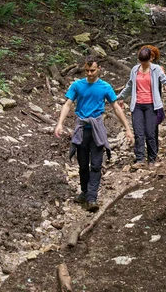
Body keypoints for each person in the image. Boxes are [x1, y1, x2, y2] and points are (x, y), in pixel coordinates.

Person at [54, 56, 134, 212]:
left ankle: (92, 197)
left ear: (99, 70)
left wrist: (127, 128)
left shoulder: (105, 87)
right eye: (87, 70)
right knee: (83, 165)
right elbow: (68, 104)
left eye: (93, 70)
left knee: (96, 165)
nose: (90, 73)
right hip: (82, 128)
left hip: (97, 128)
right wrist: (60, 123)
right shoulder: (77, 85)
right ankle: (84, 191)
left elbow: (116, 107)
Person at [117, 47, 166, 167]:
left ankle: (152, 159)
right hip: (137, 105)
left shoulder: (156, 69)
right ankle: (140, 159)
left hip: (151, 105)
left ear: (150, 59)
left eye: (145, 62)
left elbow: (165, 80)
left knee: (150, 132)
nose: (143, 64)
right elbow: (129, 85)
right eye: (141, 61)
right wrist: (118, 97)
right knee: (138, 132)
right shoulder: (135, 70)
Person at [140, 45, 166, 152]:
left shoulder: (158, 69)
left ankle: (153, 151)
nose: (150, 58)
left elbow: (165, 83)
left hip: (154, 103)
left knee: (152, 128)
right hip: (141, 102)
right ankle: (144, 152)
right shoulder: (138, 69)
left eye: (152, 56)